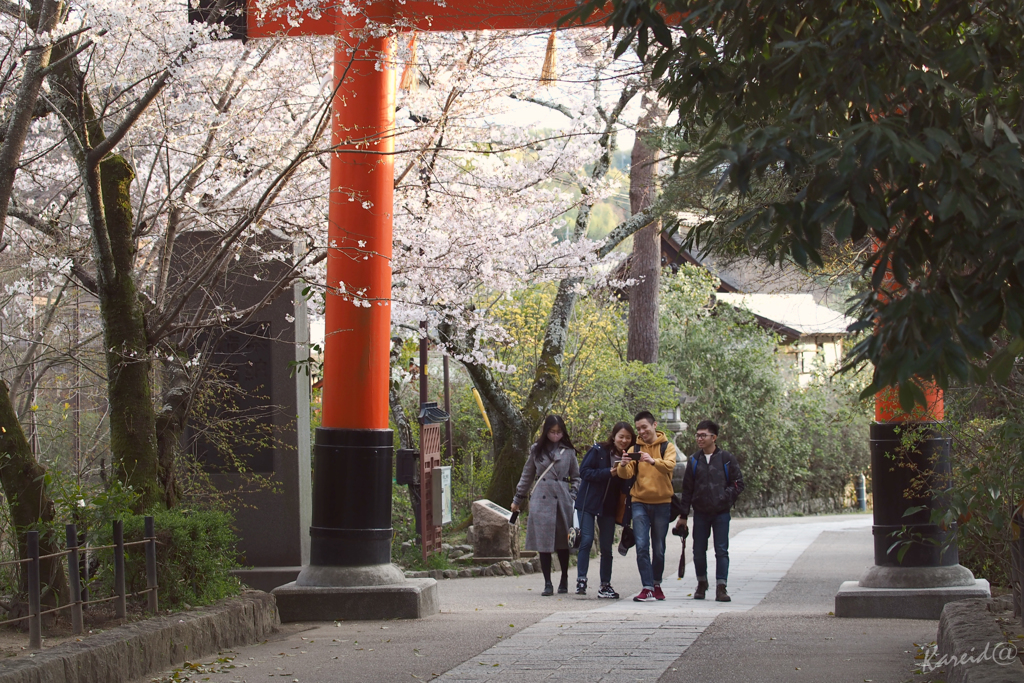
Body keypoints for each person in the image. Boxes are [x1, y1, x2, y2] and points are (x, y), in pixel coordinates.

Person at [675, 419, 745, 602]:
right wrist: (683, 515)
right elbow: (687, 489)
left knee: (721, 550)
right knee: (698, 549)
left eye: (703, 435)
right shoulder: (694, 460)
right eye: (697, 435)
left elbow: (738, 484)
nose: (699, 438)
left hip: (721, 513)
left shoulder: (726, 459)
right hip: (700, 513)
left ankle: (721, 587)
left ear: (714, 437)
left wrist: (724, 497)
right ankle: (702, 583)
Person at [511, 415, 581, 596]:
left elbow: (577, 477)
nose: (556, 435)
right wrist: (517, 499)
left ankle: (564, 577)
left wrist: (572, 494)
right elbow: (527, 475)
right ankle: (547, 582)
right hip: (541, 499)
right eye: (552, 432)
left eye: (559, 432)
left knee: (563, 542)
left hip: (563, 499)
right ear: (546, 431)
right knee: (544, 543)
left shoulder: (569, 451)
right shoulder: (536, 450)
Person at [615, 410, 677, 602]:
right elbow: (625, 474)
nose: (641, 431)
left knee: (658, 548)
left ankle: (656, 583)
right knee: (642, 545)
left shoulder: (667, 446)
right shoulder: (635, 448)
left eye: (644, 427)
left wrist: (652, 460)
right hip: (639, 501)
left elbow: (670, 466)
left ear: (654, 425)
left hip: (662, 503)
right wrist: (624, 464)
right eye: (639, 428)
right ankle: (647, 586)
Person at [574, 421, 635, 599]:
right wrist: (609, 472)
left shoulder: (631, 457)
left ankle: (605, 584)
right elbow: (584, 472)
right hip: (588, 502)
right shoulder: (598, 450)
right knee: (586, 540)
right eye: (621, 436)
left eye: (628, 437)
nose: (624, 440)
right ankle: (581, 579)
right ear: (614, 436)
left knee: (607, 547)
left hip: (609, 505)